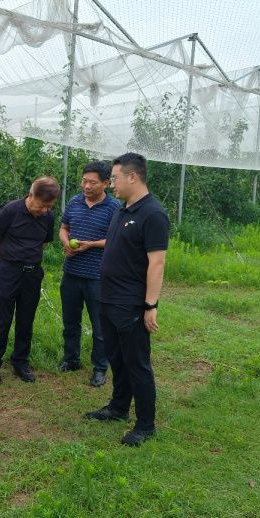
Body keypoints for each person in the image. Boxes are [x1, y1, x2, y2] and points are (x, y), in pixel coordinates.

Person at [85, 152, 169, 447]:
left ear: (132, 177)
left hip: (130, 302)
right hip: (108, 298)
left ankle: (146, 425)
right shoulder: (122, 210)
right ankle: (119, 407)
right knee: (116, 358)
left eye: (115, 178)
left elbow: (157, 263)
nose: (112, 184)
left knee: (137, 363)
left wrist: (150, 305)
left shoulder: (153, 214)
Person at [0, 176, 60, 384]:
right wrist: (5, 260)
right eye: (42, 205)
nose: (45, 210)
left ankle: (20, 362)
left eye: (49, 206)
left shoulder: (48, 216)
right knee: (3, 318)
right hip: (8, 271)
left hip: (32, 274)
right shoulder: (11, 210)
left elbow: (44, 243)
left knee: (26, 319)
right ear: (31, 195)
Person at [58, 161, 121, 386]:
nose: (86, 186)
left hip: (98, 276)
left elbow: (117, 239)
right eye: (84, 181)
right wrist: (66, 243)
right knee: (70, 321)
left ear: (105, 183)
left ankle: (100, 368)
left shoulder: (114, 207)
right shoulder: (74, 202)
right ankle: (71, 359)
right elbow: (64, 228)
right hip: (72, 273)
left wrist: (91, 244)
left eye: (92, 183)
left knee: (100, 326)